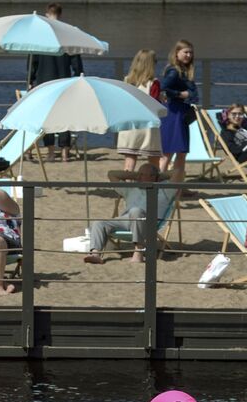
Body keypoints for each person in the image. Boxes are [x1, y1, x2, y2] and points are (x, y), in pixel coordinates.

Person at [84, 163, 174, 266]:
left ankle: (138, 251)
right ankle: (96, 254)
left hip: (149, 221)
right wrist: (136, 175)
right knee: (99, 223)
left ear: (154, 177)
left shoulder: (165, 190)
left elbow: (179, 172)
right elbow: (112, 174)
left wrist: (158, 177)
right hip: (126, 220)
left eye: (142, 174)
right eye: (138, 174)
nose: (139, 177)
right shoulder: (131, 189)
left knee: (136, 211)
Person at [28, 3, 84, 161]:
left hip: (44, 81)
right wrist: (78, 75)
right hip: (64, 81)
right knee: (65, 115)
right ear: (60, 14)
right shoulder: (68, 34)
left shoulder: (40, 36)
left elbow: (33, 61)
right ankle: (65, 150)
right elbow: (76, 61)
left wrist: (31, 79)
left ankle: (51, 151)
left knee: (48, 117)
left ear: (47, 15)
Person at [158, 40, 198, 186]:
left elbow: (194, 94)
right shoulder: (174, 71)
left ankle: (178, 187)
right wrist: (180, 94)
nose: (189, 55)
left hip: (180, 114)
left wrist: (187, 94)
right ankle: (158, 186)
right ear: (177, 53)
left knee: (181, 153)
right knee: (168, 153)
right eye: (185, 52)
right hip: (173, 113)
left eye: (191, 52)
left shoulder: (185, 70)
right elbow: (163, 87)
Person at [118, 50, 161, 172]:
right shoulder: (153, 83)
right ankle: (154, 186)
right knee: (153, 159)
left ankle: (127, 187)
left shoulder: (127, 81)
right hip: (147, 124)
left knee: (130, 159)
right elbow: (154, 104)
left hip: (130, 123)